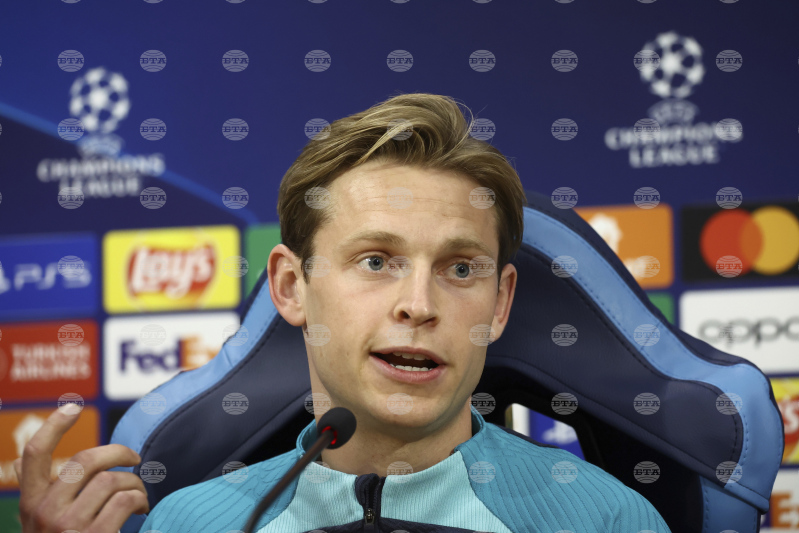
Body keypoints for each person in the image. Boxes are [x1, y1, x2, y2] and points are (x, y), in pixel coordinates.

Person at [15, 93, 671, 532]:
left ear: (499, 303)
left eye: (459, 269)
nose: (419, 305)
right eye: (377, 260)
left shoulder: (607, 519)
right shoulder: (191, 523)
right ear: (290, 286)